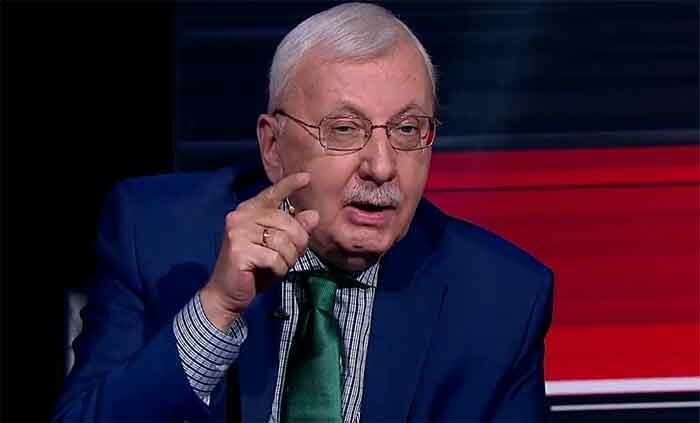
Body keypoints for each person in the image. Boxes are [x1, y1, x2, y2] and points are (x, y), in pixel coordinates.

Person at [54, 2, 553, 422]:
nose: (382, 167)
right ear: (273, 147)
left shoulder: (502, 299)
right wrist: (216, 311)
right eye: (344, 130)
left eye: (406, 130)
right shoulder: (155, 236)